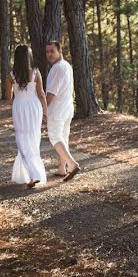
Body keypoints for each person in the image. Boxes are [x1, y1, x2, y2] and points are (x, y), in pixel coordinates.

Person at [8, 45, 48, 188]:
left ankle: (33, 175)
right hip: (34, 107)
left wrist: (15, 88)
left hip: (19, 108)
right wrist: (46, 111)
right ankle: (33, 174)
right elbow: (41, 94)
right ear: (28, 57)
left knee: (21, 140)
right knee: (33, 138)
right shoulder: (36, 73)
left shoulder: (11, 75)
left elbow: (8, 97)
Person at [45, 40, 80, 181]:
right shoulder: (67, 66)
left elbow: (51, 94)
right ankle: (62, 168)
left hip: (57, 109)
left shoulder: (57, 69)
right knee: (63, 137)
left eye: (52, 51)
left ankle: (71, 164)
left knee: (54, 137)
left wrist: (43, 110)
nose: (49, 54)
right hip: (67, 108)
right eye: (47, 52)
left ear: (60, 51)